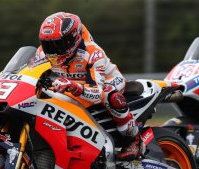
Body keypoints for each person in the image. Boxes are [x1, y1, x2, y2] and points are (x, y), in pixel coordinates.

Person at [37, 12, 144, 160]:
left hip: (107, 81)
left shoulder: (92, 53)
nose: (52, 50)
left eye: (58, 44)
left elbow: (97, 94)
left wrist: (76, 87)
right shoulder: (43, 53)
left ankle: (135, 140)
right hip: (72, 85)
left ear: (72, 39)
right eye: (47, 44)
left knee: (109, 94)